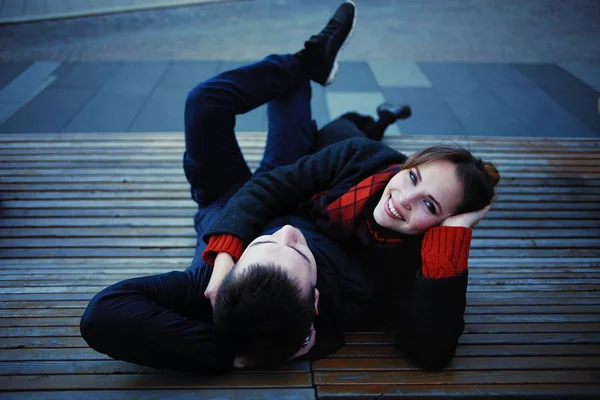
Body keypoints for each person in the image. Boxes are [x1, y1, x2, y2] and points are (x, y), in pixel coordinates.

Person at [80, 0, 499, 373]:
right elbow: (278, 189)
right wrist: (245, 350)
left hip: (229, 197)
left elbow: (104, 315)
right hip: (282, 181)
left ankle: (307, 67)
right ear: (315, 303)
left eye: (428, 203)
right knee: (297, 107)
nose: (285, 231)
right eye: (412, 178)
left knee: (210, 102)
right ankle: (309, 66)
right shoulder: (350, 285)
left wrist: (228, 335)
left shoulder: (210, 287)